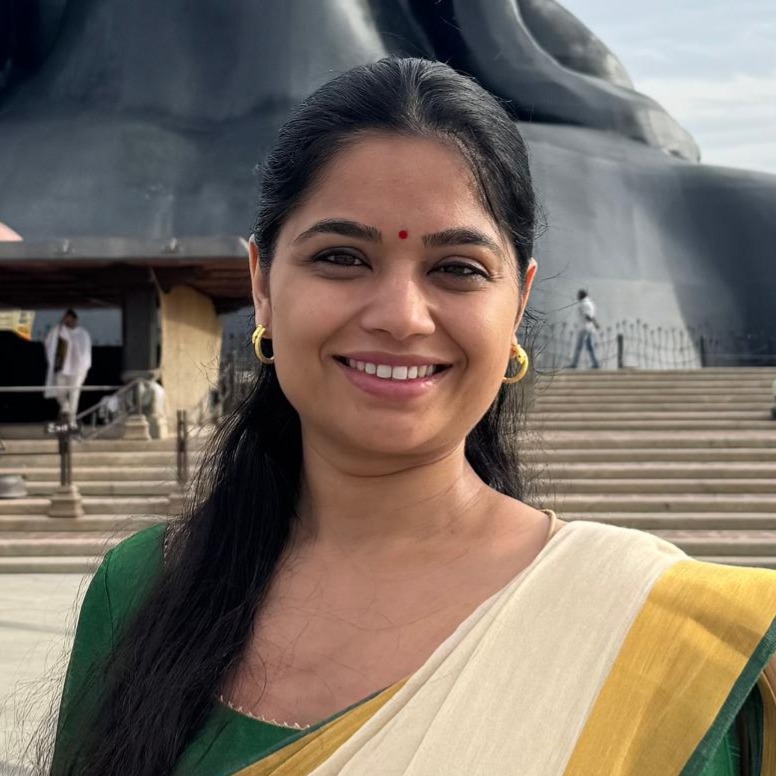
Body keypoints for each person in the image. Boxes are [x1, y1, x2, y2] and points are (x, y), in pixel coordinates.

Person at [47, 59, 775, 776]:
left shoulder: (672, 643)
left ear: (518, 303)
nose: (401, 317)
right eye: (342, 257)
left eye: (457, 268)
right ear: (261, 283)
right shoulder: (143, 589)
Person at [43, 309, 92, 427]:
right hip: (62, 368)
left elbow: (85, 351)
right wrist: (59, 326)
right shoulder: (58, 331)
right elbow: (48, 342)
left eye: (69, 319)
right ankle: (65, 407)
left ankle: (72, 420)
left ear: (74, 319)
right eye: (65, 319)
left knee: (74, 394)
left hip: (77, 369)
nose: (67, 321)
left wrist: (82, 366)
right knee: (60, 391)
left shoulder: (82, 333)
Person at [569, 289, 600, 369]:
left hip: (584, 328)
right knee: (589, 347)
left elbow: (588, 316)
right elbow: (591, 316)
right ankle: (595, 363)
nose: (577, 296)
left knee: (579, 347)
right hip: (588, 328)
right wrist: (595, 324)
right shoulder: (590, 303)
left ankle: (574, 364)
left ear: (582, 295)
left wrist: (594, 323)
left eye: (579, 295)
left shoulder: (584, 304)